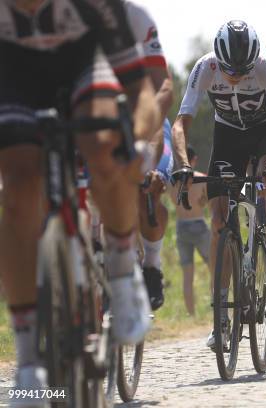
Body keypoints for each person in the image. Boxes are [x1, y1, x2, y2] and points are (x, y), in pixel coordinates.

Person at [0, 0, 159, 397]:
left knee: (105, 145)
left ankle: (123, 272)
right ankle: (29, 365)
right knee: (19, 187)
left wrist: (137, 143)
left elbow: (142, 90)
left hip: (84, 65)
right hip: (12, 75)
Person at [172, 20, 266, 349]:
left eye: (243, 71)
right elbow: (181, 123)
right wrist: (183, 164)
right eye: (230, 71)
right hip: (227, 136)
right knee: (218, 221)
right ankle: (221, 314)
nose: (236, 77)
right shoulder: (206, 67)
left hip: (262, 134)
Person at [124, 0, 175, 311]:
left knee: (148, 188)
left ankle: (152, 267)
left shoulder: (133, 16)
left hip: (149, 119)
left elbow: (161, 89)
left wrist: (148, 162)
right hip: (94, 119)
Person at [170, 146, 211, 316]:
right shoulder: (201, 179)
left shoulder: (171, 182)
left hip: (181, 226)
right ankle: (215, 305)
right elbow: (205, 202)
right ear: (193, 160)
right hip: (199, 225)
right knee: (214, 267)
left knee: (188, 274)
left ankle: (191, 314)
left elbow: (173, 202)